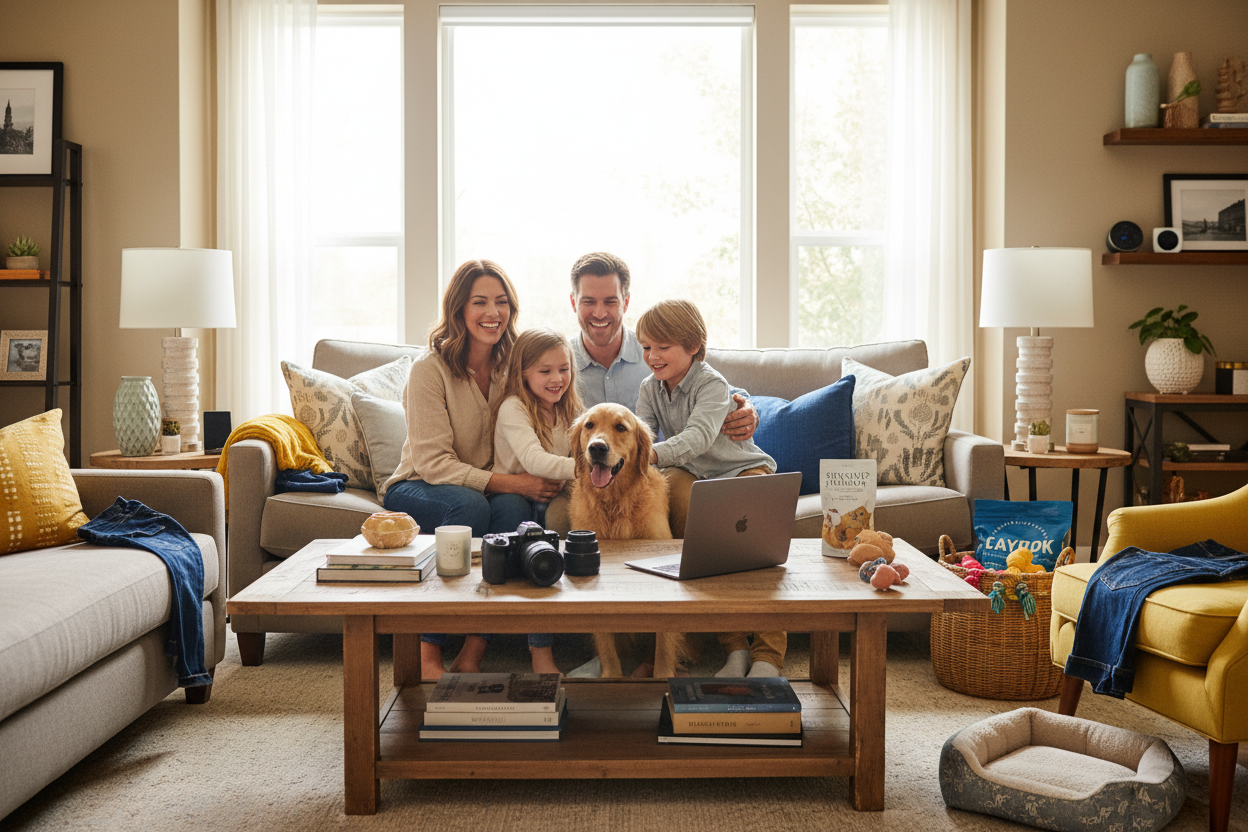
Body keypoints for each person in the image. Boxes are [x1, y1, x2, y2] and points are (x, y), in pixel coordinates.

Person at [381, 259, 563, 678]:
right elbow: (432, 463)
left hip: (487, 488)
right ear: (459, 308)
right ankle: (428, 655)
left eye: (501, 302)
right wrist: (510, 481)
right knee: (472, 510)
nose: (492, 312)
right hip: (419, 484)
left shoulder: (514, 365)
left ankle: (475, 648)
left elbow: (553, 406)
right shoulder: (428, 370)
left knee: (517, 516)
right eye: (479, 302)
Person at [546, 252, 758, 535]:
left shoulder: (655, 352)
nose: (599, 313)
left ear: (626, 301)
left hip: (708, 468)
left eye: (610, 301)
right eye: (588, 301)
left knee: (677, 490)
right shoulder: (557, 363)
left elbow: (709, 386)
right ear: (574, 302)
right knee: (558, 520)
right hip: (595, 475)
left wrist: (746, 406)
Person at [634, 298, 785, 679]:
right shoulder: (649, 389)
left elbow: (697, 437)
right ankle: (733, 649)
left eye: (662, 347)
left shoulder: (712, 383)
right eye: (646, 347)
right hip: (696, 476)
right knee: (704, 551)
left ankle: (767, 655)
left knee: (759, 554)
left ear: (693, 347)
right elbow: (641, 433)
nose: (652, 356)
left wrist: (644, 455)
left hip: (741, 470)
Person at [490, 327, 583, 673]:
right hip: (513, 496)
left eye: (564, 368)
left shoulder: (568, 408)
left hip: (551, 498)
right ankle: (539, 649)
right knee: (538, 552)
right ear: (523, 373)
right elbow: (535, 461)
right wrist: (590, 468)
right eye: (545, 371)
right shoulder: (514, 407)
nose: (557, 378)